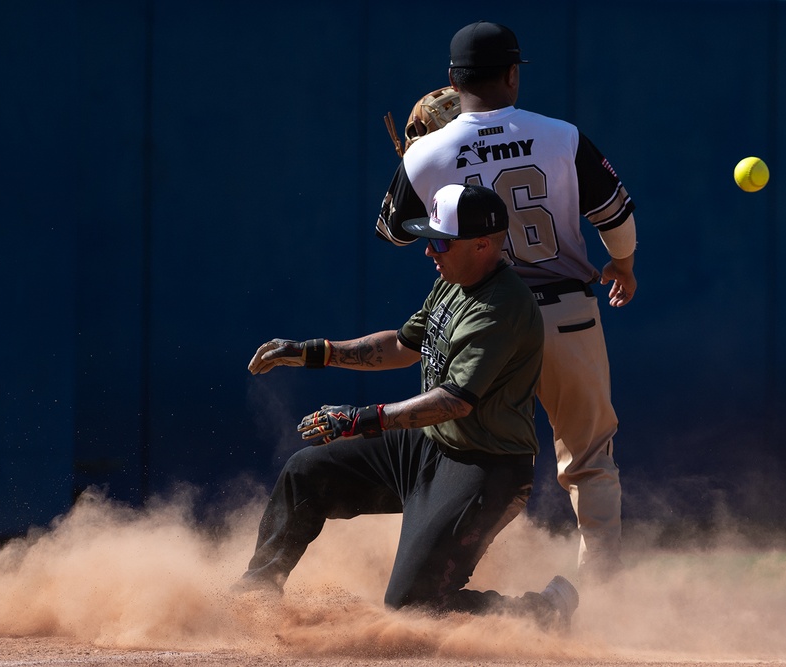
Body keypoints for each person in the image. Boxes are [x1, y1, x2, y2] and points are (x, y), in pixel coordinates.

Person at [237, 183, 579, 629]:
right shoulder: (453, 282)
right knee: (307, 472)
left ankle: (542, 612)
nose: (428, 252)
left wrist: (361, 419)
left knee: (412, 608)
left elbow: (455, 401)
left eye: (440, 241)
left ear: (482, 245)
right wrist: (312, 351)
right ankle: (254, 595)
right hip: (428, 449)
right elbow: (401, 345)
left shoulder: (500, 308)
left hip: (485, 469)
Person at [376, 21, 637, 580]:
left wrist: (412, 163)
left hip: (483, 321)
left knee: (465, 449)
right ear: (513, 75)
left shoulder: (427, 155)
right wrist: (624, 265)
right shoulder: (561, 136)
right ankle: (602, 592)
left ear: (451, 79)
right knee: (590, 458)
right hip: (565, 314)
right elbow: (616, 214)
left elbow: (394, 233)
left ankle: (437, 576)